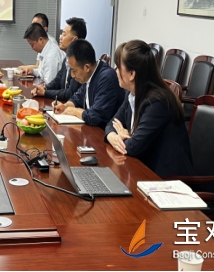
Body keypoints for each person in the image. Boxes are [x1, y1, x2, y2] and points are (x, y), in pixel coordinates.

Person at [104, 40, 194, 177]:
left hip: (166, 178)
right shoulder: (132, 94)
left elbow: (133, 147)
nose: (115, 71)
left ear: (132, 74)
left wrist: (126, 137)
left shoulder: (157, 102)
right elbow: (111, 123)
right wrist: (114, 136)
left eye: (118, 67)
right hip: (144, 167)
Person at [53, 39, 124, 129]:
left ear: (87, 67)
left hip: (104, 132)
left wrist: (74, 111)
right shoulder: (90, 75)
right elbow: (78, 97)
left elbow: (96, 116)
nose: (72, 75)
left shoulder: (107, 77)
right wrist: (65, 106)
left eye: (74, 70)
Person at [32, 17, 87, 101]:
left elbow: (70, 93)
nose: (60, 37)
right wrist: (44, 88)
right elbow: (57, 81)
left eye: (64, 35)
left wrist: (45, 93)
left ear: (74, 39)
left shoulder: (80, 62)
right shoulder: (67, 58)